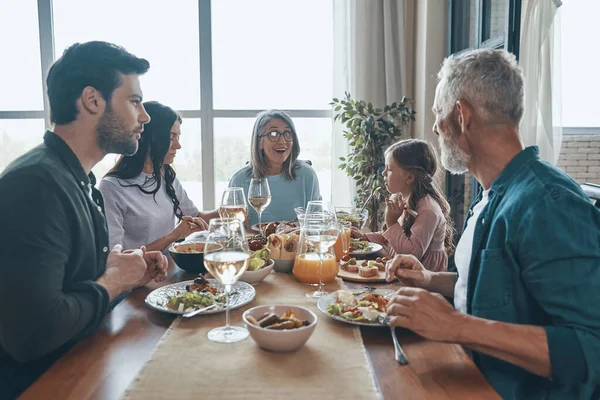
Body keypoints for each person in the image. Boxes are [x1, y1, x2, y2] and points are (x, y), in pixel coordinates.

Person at [385, 48, 600, 399]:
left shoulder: (547, 204)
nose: (436, 127)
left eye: (439, 114)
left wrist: (456, 326)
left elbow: (592, 344)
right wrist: (429, 280)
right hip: (466, 374)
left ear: (461, 115)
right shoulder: (492, 194)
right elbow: (498, 291)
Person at [0, 41, 169, 399]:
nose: (145, 117)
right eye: (134, 101)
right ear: (92, 100)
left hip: (88, 362)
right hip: (47, 384)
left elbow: (59, 281)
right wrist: (113, 280)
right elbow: (34, 332)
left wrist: (121, 269)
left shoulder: (75, 177)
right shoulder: (35, 184)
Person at [99, 101, 208, 252]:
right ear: (149, 138)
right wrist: (173, 236)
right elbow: (115, 259)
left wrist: (229, 211)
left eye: (178, 136)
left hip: (169, 271)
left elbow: (196, 216)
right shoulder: (111, 188)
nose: (178, 145)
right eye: (171, 137)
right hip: (140, 275)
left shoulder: (165, 175)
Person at [351, 139, 452, 272]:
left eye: (390, 169)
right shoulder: (403, 198)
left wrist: (392, 222)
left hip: (423, 283)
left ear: (409, 178)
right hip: (404, 273)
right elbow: (392, 237)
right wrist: (364, 237)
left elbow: (411, 254)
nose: (383, 173)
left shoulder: (428, 210)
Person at [226, 109, 322, 226]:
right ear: (259, 142)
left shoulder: (307, 175)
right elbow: (232, 229)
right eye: (273, 134)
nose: (282, 141)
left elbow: (317, 223)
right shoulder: (239, 180)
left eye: (287, 134)